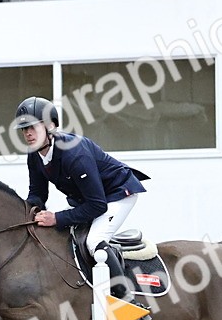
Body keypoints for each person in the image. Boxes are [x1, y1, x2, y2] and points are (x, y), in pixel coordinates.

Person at [13, 96, 149, 302]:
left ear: (50, 126)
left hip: (117, 194)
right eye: (24, 129)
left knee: (94, 241)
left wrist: (56, 218)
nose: (28, 133)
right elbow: (38, 194)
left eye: (33, 126)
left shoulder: (74, 154)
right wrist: (27, 213)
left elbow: (97, 205)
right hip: (90, 201)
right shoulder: (35, 155)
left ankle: (127, 301)